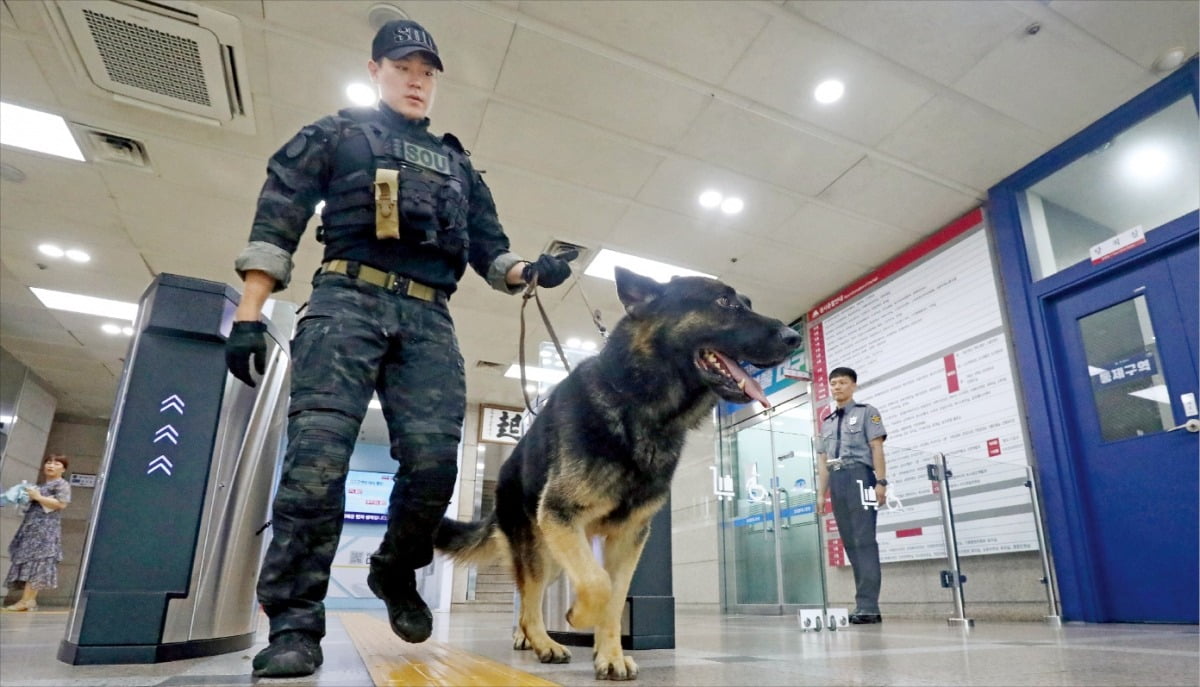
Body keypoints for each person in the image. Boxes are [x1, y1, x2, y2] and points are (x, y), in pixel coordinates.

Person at [224, 18, 575, 678]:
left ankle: (395, 565)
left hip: (428, 317)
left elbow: (491, 252)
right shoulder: (334, 136)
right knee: (315, 465)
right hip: (344, 302)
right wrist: (249, 313)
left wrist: (531, 271)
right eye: (403, 67)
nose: (417, 80)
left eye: (427, 72)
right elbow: (278, 217)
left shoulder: (459, 167)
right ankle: (296, 623)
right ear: (375, 70)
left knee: (436, 461)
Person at [814, 367, 888, 624]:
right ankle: (865, 604)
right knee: (851, 543)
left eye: (842, 383)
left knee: (865, 540)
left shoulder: (868, 412)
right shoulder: (826, 422)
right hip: (837, 480)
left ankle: (867, 606)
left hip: (860, 476)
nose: (837, 387)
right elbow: (823, 461)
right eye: (833, 383)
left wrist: (881, 481)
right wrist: (821, 494)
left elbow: (876, 448)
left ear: (853, 386)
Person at [4, 454, 71, 612]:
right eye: (49, 462)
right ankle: (28, 600)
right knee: (29, 562)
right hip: (31, 528)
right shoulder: (40, 485)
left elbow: (62, 504)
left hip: (45, 531)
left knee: (38, 563)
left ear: (63, 468)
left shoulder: (62, 485)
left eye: (56, 463)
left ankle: (27, 600)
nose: (51, 466)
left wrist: (38, 497)